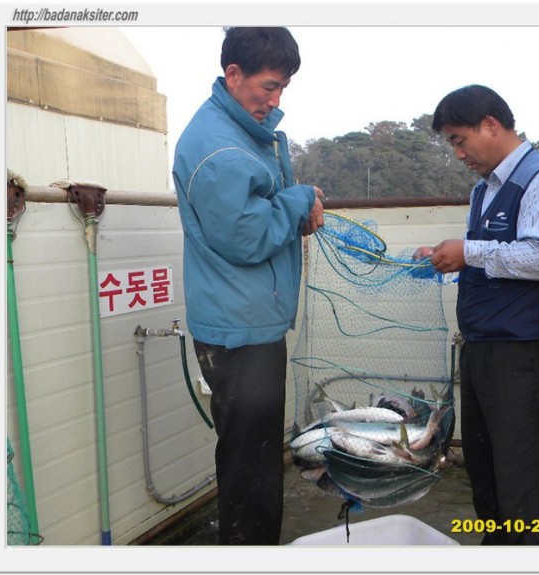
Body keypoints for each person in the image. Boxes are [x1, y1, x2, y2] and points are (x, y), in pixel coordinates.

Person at [172, 27, 324, 545]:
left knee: (253, 459)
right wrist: (300, 200)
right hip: (238, 332)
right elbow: (248, 235)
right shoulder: (219, 149)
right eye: (269, 87)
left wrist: (296, 204)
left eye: (283, 88)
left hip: (247, 320)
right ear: (233, 74)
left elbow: (259, 211)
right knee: (249, 471)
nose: (275, 100)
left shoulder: (238, 132)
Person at [415, 85, 539, 545]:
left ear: (490, 125)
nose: (458, 154)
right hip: (482, 348)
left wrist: (468, 252)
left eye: (459, 140)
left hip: (522, 354)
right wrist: (446, 255)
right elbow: (493, 255)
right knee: (485, 472)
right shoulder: (484, 189)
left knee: (521, 478)